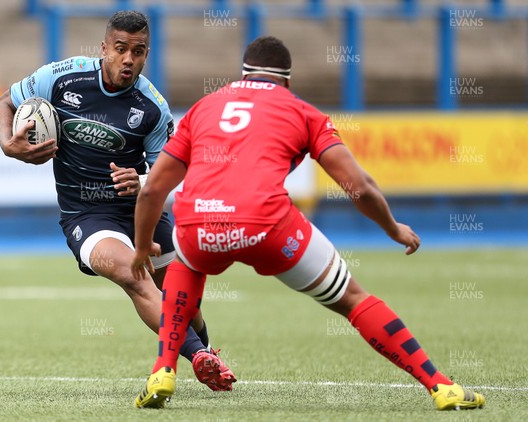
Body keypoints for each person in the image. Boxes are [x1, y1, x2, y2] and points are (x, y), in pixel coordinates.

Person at [130, 35, 485, 410]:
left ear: (243, 74)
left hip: (199, 221)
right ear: (285, 80)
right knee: (352, 298)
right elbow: (359, 187)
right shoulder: (301, 111)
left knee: (189, 262)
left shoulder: (204, 107)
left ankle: (163, 370)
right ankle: (440, 387)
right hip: (265, 224)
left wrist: (141, 247)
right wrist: (393, 228)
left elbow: (153, 190)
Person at [0, 10, 235, 392]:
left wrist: (142, 182)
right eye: (120, 49)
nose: (128, 59)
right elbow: (2, 104)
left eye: (138, 52)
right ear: (104, 48)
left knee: (186, 302)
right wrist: (9, 144)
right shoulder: (61, 77)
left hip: (142, 212)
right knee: (131, 275)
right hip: (85, 216)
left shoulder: (152, 108)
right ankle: (200, 357)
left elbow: (167, 176)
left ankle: (206, 355)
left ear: (146, 53)